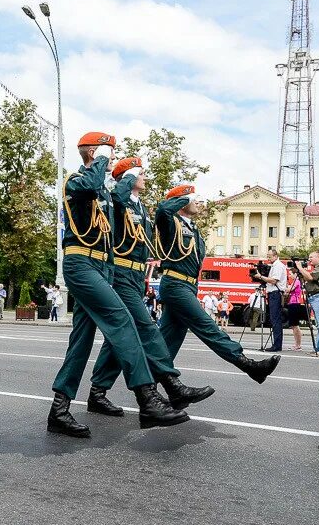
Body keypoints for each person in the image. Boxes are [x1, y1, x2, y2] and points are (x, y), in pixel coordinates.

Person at [48, 131, 188, 437]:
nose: (111, 159)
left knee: (81, 342)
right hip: (80, 263)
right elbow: (92, 183)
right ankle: (147, 397)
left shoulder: (105, 193)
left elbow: (119, 200)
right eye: (107, 153)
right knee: (122, 319)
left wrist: (126, 171)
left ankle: (58, 410)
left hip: (100, 266)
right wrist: (100, 156)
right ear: (91, 152)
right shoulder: (77, 181)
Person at [86, 157, 213, 416]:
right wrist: (129, 177)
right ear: (129, 177)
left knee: (118, 339)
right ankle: (171, 384)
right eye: (139, 174)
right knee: (146, 329)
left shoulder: (140, 206)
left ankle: (97, 393)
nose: (143, 177)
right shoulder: (118, 198)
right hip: (120, 274)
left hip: (135, 277)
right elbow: (118, 199)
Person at [154, 183, 280, 383]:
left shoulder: (192, 228)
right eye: (192, 199)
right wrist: (183, 198)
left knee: (168, 340)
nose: (196, 202)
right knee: (208, 327)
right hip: (175, 284)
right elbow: (162, 211)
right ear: (182, 202)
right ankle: (248, 364)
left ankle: (151, 387)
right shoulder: (172, 223)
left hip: (188, 286)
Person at [295, 250, 319, 357]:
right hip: (317, 297)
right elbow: (308, 278)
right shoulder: (318, 267)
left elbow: (311, 277)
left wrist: (300, 268)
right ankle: (318, 348)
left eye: (312, 257)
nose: (309, 259)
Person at [256, 249, 287, 351]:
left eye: (269, 256)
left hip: (275, 294)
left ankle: (277, 345)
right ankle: (277, 344)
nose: (268, 258)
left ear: (275, 256)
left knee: (276, 320)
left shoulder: (278, 266)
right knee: (274, 319)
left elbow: (274, 280)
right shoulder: (275, 266)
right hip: (273, 294)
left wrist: (261, 276)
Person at [284, 271, 305, 350]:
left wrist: (284, 286)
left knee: (295, 325)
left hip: (295, 303)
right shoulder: (294, 282)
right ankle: (296, 344)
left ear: (295, 274)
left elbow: (289, 290)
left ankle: (298, 345)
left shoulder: (297, 281)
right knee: (293, 325)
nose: (289, 275)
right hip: (292, 303)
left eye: (291, 273)